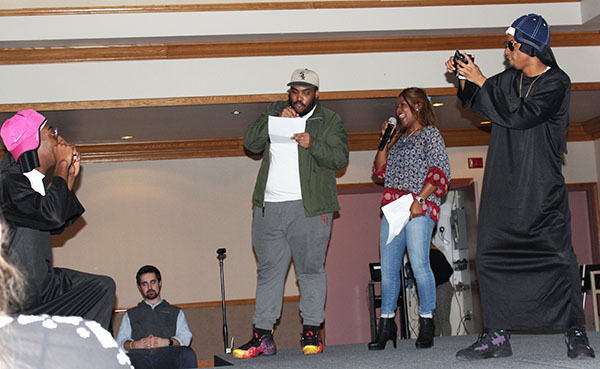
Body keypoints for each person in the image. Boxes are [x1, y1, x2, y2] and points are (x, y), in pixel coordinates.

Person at [445, 13, 595, 360]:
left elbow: (522, 115)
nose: (506, 51)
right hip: (503, 185)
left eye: (511, 45)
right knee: (492, 256)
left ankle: (575, 331)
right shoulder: (509, 79)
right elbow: (478, 100)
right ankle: (497, 335)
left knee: (558, 259)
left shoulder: (557, 82)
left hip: (541, 188)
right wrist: (464, 76)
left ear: (530, 48)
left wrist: (482, 79)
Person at [233, 68, 349, 359]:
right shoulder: (275, 111)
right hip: (268, 208)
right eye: (295, 92)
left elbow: (340, 158)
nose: (299, 98)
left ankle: (311, 331)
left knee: (310, 271)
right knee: (268, 273)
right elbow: (251, 143)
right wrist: (273, 124)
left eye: (305, 92)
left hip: (309, 208)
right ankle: (262, 337)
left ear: (316, 95)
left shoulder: (330, 119)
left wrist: (313, 144)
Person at [0, 109, 115, 330]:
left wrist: (68, 180)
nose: (57, 137)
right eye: (51, 131)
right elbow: (50, 215)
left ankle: (87, 356)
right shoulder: (8, 182)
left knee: (101, 288)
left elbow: (49, 225)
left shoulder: (29, 181)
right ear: (33, 140)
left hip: (42, 287)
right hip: (18, 295)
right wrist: (62, 165)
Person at [369, 87, 451, 351]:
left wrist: (421, 200)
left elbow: (440, 170)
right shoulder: (398, 140)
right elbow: (380, 170)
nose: (397, 111)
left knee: (419, 263)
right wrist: (384, 139)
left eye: (402, 105)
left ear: (417, 107)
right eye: (396, 107)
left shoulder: (430, 134)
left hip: (419, 205)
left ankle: (426, 321)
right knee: (389, 268)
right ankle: (386, 324)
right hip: (394, 208)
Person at [0, 221, 133, 369]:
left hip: (45, 287)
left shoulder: (36, 204)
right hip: (10, 292)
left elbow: (57, 220)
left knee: (103, 287)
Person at [116, 265, 197, 369]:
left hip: (167, 355)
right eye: (145, 284)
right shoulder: (131, 314)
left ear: (160, 283)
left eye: (153, 282)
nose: (149, 287)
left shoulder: (175, 312)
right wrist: (135, 345)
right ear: (139, 287)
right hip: (139, 357)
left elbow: (185, 338)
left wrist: (167, 342)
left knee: (187, 353)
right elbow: (120, 342)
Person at [430, 245, 453, 337]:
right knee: (436, 322)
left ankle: (446, 345)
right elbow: (449, 271)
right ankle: (439, 346)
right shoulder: (435, 253)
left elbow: (448, 271)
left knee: (442, 321)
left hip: (441, 288)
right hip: (440, 287)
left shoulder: (433, 254)